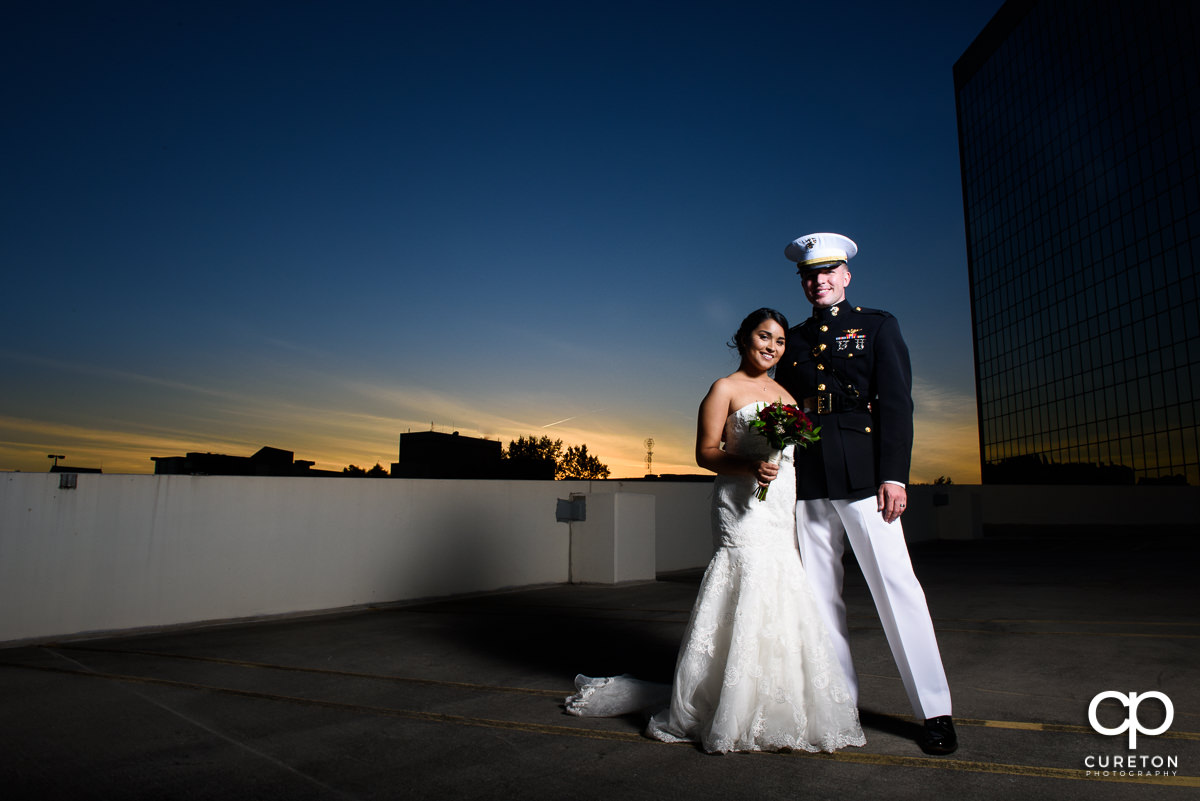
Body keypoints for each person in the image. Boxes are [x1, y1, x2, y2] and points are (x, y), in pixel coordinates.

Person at [565, 308, 865, 755]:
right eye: (764, 337)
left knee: (781, 584)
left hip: (779, 500)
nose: (772, 347)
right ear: (744, 339)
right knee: (742, 580)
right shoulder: (723, 388)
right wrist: (748, 465)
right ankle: (727, 702)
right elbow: (706, 452)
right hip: (739, 503)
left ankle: (776, 701)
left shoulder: (786, 392)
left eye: (780, 341)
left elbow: (793, 451)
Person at [773, 232, 957, 755]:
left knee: (898, 590)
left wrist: (895, 474)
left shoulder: (877, 325)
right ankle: (839, 705)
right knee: (819, 601)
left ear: (847, 275)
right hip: (808, 479)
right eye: (810, 274)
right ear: (803, 281)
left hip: (864, 477)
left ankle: (935, 711)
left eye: (829, 271)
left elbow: (897, 403)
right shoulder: (795, 338)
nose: (819, 281)